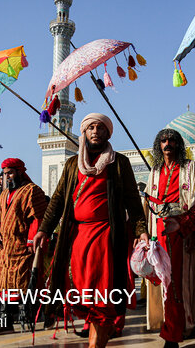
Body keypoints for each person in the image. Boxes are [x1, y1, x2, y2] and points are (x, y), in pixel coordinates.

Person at [34, 113, 148, 348]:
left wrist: (140, 230)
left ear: (108, 133)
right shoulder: (71, 164)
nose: (96, 131)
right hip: (77, 239)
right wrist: (44, 229)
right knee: (80, 293)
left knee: (103, 295)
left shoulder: (119, 163)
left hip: (105, 238)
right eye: (91, 128)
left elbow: (132, 201)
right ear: (84, 133)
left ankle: (97, 344)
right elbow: (57, 200)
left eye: (101, 128)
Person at [144, 128, 195, 347]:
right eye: (163, 141)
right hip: (159, 232)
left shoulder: (189, 168)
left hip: (181, 229)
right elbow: (150, 204)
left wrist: (189, 229)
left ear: (178, 144)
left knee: (179, 281)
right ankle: (171, 324)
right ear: (158, 145)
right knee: (164, 280)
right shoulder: (155, 170)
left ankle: (181, 326)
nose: (167, 144)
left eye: (171, 140)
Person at [0, 159, 47, 335]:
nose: (7, 176)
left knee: (24, 284)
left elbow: (38, 218)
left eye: (11, 172)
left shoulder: (32, 191)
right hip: (5, 250)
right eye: (5, 173)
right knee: (4, 285)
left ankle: (27, 319)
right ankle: (6, 322)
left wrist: (31, 241)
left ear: (20, 172)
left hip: (23, 248)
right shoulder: (4, 194)